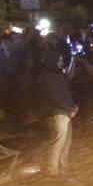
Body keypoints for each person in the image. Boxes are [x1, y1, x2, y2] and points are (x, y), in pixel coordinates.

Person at [37, 47, 78, 177]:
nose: (61, 63)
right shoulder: (47, 78)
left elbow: (67, 83)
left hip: (65, 113)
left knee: (66, 143)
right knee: (57, 143)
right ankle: (52, 170)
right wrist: (70, 107)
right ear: (52, 61)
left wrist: (73, 60)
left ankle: (62, 168)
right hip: (57, 114)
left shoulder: (57, 75)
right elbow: (55, 97)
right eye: (59, 61)